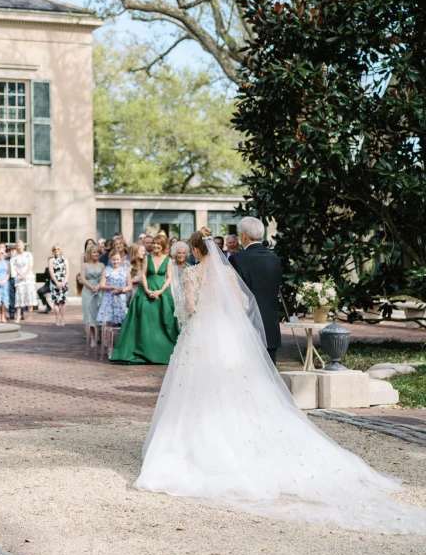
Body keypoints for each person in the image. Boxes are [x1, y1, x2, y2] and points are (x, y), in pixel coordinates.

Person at [134, 228, 426, 534]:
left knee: (198, 390)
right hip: (228, 336)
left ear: (195, 250)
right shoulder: (227, 273)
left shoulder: (192, 273)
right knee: (239, 388)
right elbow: (242, 304)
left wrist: (191, 312)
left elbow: (190, 308)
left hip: (202, 336)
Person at [110, 233, 180, 365]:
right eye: (154, 243)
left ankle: (162, 352)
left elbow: (169, 277)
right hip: (145, 292)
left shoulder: (168, 259)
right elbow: (143, 274)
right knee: (144, 320)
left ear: (163, 245)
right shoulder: (148, 258)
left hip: (162, 293)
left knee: (164, 321)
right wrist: (147, 290)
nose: (155, 246)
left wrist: (160, 291)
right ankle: (142, 350)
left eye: (158, 244)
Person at [228, 217, 281, 365]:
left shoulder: (237, 258)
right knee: (270, 375)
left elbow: (234, 293)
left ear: (243, 236)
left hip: (247, 325)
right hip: (271, 325)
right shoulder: (275, 258)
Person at [97, 250, 132, 351]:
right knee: (109, 324)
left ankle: (119, 346)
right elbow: (102, 285)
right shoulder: (107, 270)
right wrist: (112, 287)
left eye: (117, 259)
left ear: (121, 259)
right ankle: (110, 347)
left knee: (121, 323)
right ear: (110, 260)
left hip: (120, 300)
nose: (115, 262)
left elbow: (129, 285)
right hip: (109, 299)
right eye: (113, 260)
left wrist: (121, 289)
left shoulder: (125, 271)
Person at [80, 243, 103, 347]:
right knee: (89, 314)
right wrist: (91, 286)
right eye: (94, 252)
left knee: (99, 313)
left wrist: (98, 286)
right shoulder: (84, 265)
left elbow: (104, 277)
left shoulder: (102, 265)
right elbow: (83, 279)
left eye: (97, 252)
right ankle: (92, 338)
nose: (96, 254)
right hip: (88, 292)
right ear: (89, 253)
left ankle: (100, 336)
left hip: (99, 290)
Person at [11, 240, 36, 322]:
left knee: (29, 296)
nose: (19, 247)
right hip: (19, 279)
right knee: (19, 297)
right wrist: (21, 275)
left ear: (23, 246)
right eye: (17, 245)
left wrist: (25, 274)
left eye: (20, 245)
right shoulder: (14, 257)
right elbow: (15, 267)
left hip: (28, 278)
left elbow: (30, 265)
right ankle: (18, 316)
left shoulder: (28, 254)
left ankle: (30, 316)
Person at [49, 244, 69, 326]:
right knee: (56, 302)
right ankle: (57, 318)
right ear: (53, 251)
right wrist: (56, 282)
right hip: (55, 282)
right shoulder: (51, 260)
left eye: (58, 249)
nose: (56, 250)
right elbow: (51, 272)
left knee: (63, 302)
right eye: (55, 249)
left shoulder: (65, 260)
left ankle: (62, 318)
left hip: (64, 281)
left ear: (60, 250)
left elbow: (67, 272)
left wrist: (64, 282)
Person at [7, 245, 17, 320]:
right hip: (10, 279)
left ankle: (21, 313)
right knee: (11, 298)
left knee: (19, 297)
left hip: (18, 278)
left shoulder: (19, 258)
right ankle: (12, 313)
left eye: (13, 250)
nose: (11, 252)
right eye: (9, 251)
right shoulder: (7, 259)